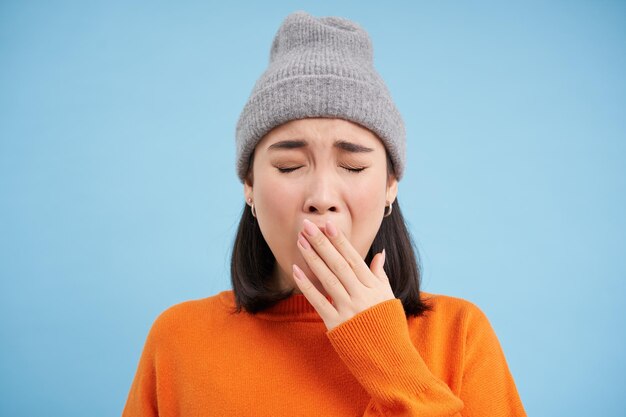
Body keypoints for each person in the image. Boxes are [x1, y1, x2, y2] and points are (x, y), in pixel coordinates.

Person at [121, 11, 526, 416]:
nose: (321, 196)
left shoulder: (459, 335)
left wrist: (388, 358)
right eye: (289, 166)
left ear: (390, 186)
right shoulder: (178, 339)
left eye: (352, 167)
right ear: (249, 185)